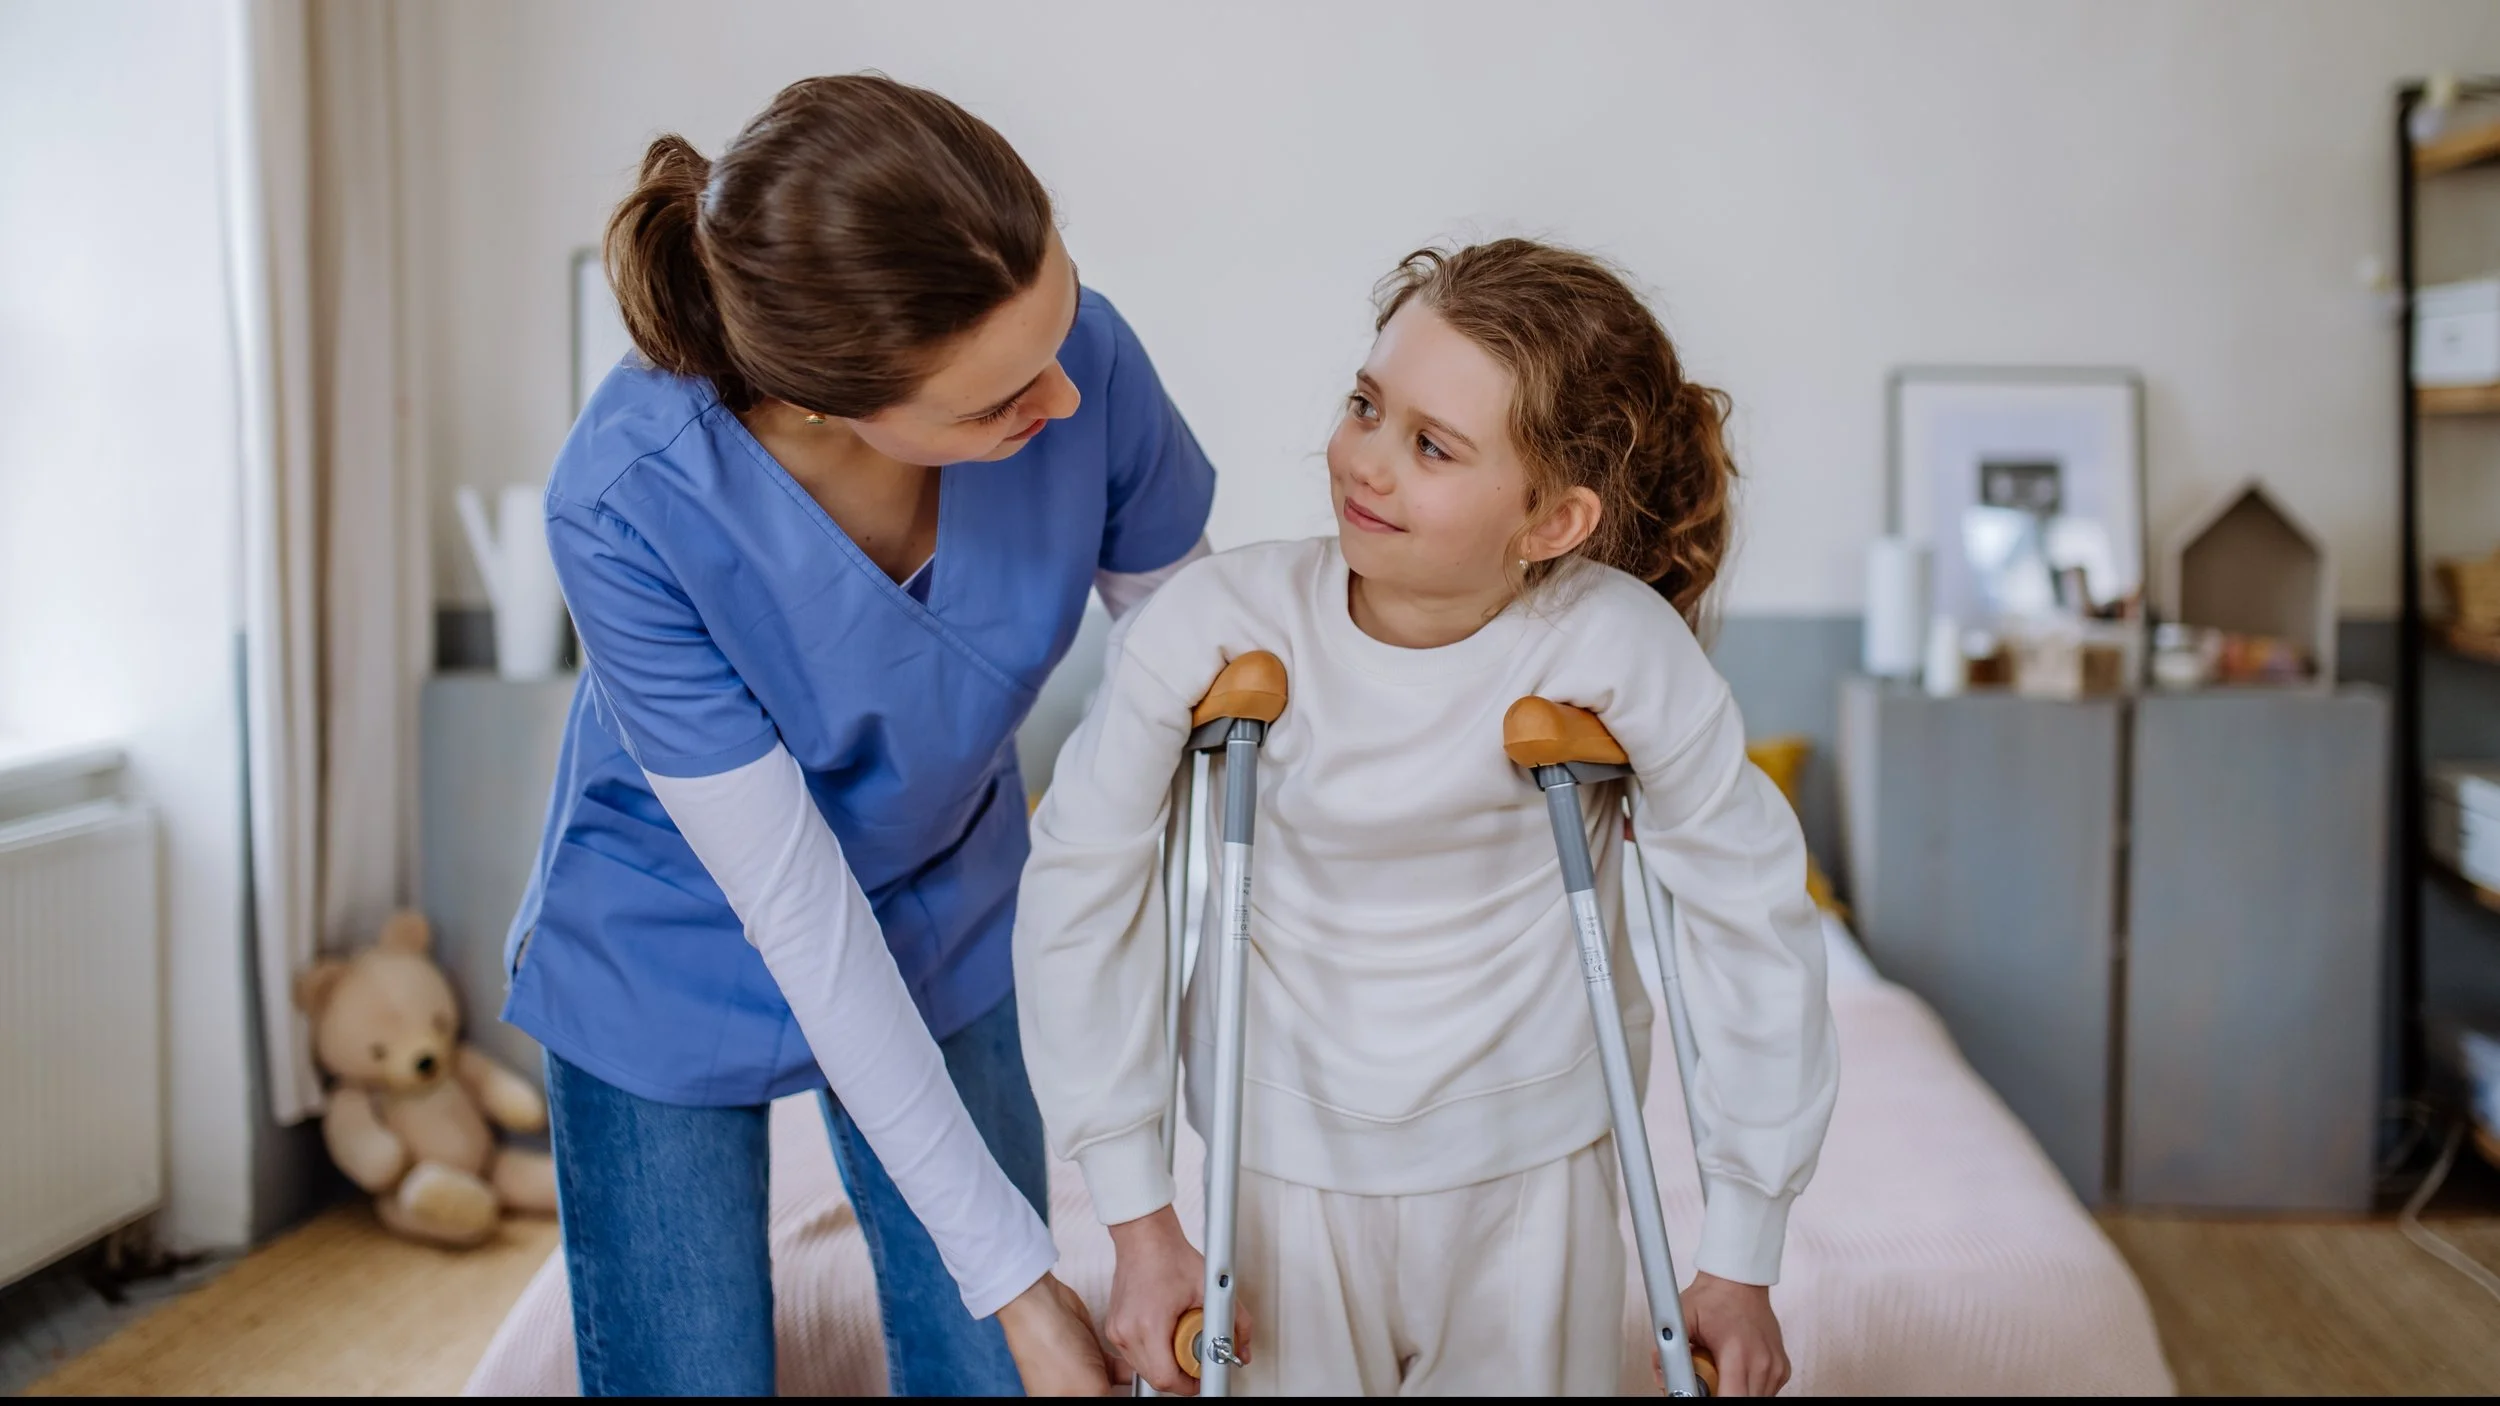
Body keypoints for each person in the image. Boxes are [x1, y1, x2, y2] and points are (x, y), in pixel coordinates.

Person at [1015, 239, 1838, 1395]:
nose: (1366, 462)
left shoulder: (1614, 643)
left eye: (1431, 445)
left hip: (1534, 1167)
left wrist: (1743, 1247)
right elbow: (1081, 881)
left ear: (1551, 520)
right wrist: (1137, 1218)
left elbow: (1749, 915)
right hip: (1280, 1160)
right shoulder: (1218, 618)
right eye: (1365, 405)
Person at [504, 74, 1214, 1397]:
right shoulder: (628, 501)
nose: (1063, 401)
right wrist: (1015, 1284)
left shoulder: (1082, 365)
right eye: (997, 400)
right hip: (674, 928)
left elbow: (1205, 712)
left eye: (1060, 327)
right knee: (691, 1369)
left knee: (992, 1370)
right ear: (825, 402)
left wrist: (1147, 1206)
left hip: (949, 887)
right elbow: (799, 909)